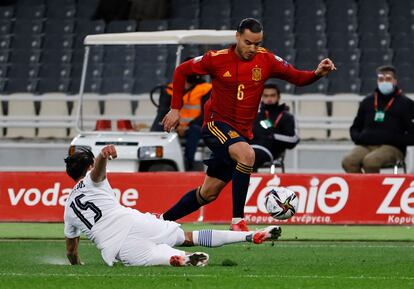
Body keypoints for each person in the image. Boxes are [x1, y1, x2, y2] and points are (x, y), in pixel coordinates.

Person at [161, 18, 336, 231]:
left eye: (257, 43)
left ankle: (161, 221)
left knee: (208, 193)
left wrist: (317, 73)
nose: (253, 48)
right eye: (248, 42)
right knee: (247, 155)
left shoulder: (267, 60)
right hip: (217, 125)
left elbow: (298, 78)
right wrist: (175, 108)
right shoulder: (216, 59)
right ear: (237, 38)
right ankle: (238, 222)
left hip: (241, 133)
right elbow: (181, 71)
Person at [64, 145, 281, 267]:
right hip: (134, 221)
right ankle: (249, 236)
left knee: (157, 255)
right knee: (188, 237)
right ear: (90, 165)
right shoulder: (92, 179)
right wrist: (103, 155)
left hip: (115, 246)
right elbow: (98, 173)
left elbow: (71, 252)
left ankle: (176, 258)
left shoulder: (68, 209)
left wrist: (77, 264)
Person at [342, 65, 414, 173]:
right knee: (348, 161)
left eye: (388, 79)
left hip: (392, 147)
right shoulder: (367, 101)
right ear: (377, 81)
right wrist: (360, 137)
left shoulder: (406, 103)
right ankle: (363, 188)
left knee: (371, 161)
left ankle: (373, 189)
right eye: (381, 79)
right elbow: (355, 127)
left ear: (395, 81)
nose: (384, 82)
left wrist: (394, 139)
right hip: (366, 145)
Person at [151, 73, 212, 170]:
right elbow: (162, 111)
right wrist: (177, 124)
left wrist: (188, 125)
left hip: (196, 125)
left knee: (195, 130)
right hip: (175, 125)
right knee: (158, 128)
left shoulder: (206, 89)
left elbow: (205, 113)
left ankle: (188, 164)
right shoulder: (169, 89)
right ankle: (153, 161)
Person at [251, 83, 300, 171]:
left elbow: (294, 139)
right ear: (262, 97)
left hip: (269, 151)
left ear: (278, 97)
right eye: (266, 96)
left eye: (272, 95)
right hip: (249, 148)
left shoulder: (287, 117)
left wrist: (273, 136)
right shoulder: (255, 115)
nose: (269, 98)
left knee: (248, 158)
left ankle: (248, 183)